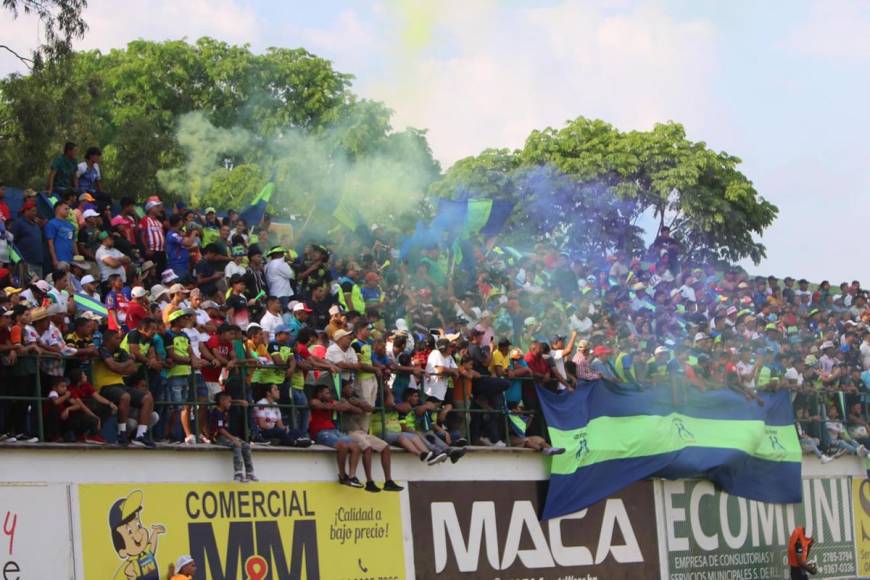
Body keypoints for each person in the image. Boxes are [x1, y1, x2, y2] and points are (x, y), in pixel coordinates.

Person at [308, 381, 365, 487]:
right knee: (342, 446)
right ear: (319, 394)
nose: (330, 395)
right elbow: (316, 404)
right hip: (321, 432)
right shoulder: (314, 400)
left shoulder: (331, 402)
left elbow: (349, 408)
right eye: (327, 393)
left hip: (334, 431)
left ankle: (352, 476)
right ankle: (343, 476)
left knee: (356, 447)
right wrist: (334, 406)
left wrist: (343, 405)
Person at [210, 392, 256, 482]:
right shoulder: (217, 412)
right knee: (237, 445)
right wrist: (233, 438)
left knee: (246, 446)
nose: (230, 404)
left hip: (227, 436)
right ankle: (238, 473)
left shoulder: (225, 408)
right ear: (221, 401)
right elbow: (221, 430)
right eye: (229, 402)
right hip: (218, 437)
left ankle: (250, 472)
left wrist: (239, 401)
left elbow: (228, 400)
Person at [45, 201, 77, 270]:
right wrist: (54, 260)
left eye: (68, 209)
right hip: (59, 259)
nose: (68, 211)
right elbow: (50, 243)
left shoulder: (71, 225)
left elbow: (73, 242)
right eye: (66, 209)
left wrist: (77, 256)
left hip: (71, 260)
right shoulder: (52, 223)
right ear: (58, 209)